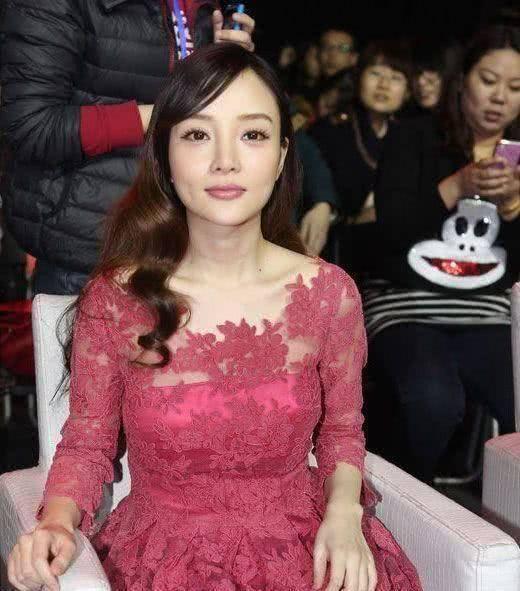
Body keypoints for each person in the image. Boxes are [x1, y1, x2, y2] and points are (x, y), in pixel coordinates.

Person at [6, 44, 422, 591]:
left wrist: (344, 514)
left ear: (281, 156)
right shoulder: (117, 298)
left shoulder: (328, 294)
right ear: (165, 155)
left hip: (306, 551)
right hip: (161, 560)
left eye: (252, 134)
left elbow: (342, 432)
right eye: (198, 135)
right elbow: (88, 438)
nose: (226, 160)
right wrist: (57, 522)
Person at [0, 0, 255, 296]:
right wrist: (163, 114)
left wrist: (225, 66)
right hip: (91, 253)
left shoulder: (204, 8)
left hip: (187, 243)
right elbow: (32, 127)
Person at [366, 25, 520, 483]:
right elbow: (390, 232)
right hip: (406, 302)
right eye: (488, 80)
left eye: (515, 88)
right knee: (432, 400)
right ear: (462, 79)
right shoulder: (413, 137)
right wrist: (458, 186)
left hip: (488, 310)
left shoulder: (516, 157)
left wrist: (514, 205)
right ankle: (403, 502)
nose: (499, 98)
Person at [310, 41, 411, 277]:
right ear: (358, 78)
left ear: (407, 91)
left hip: (391, 260)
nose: (384, 85)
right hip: (337, 254)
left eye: (396, 78)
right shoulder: (329, 131)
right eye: (375, 73)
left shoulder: (411, 137)